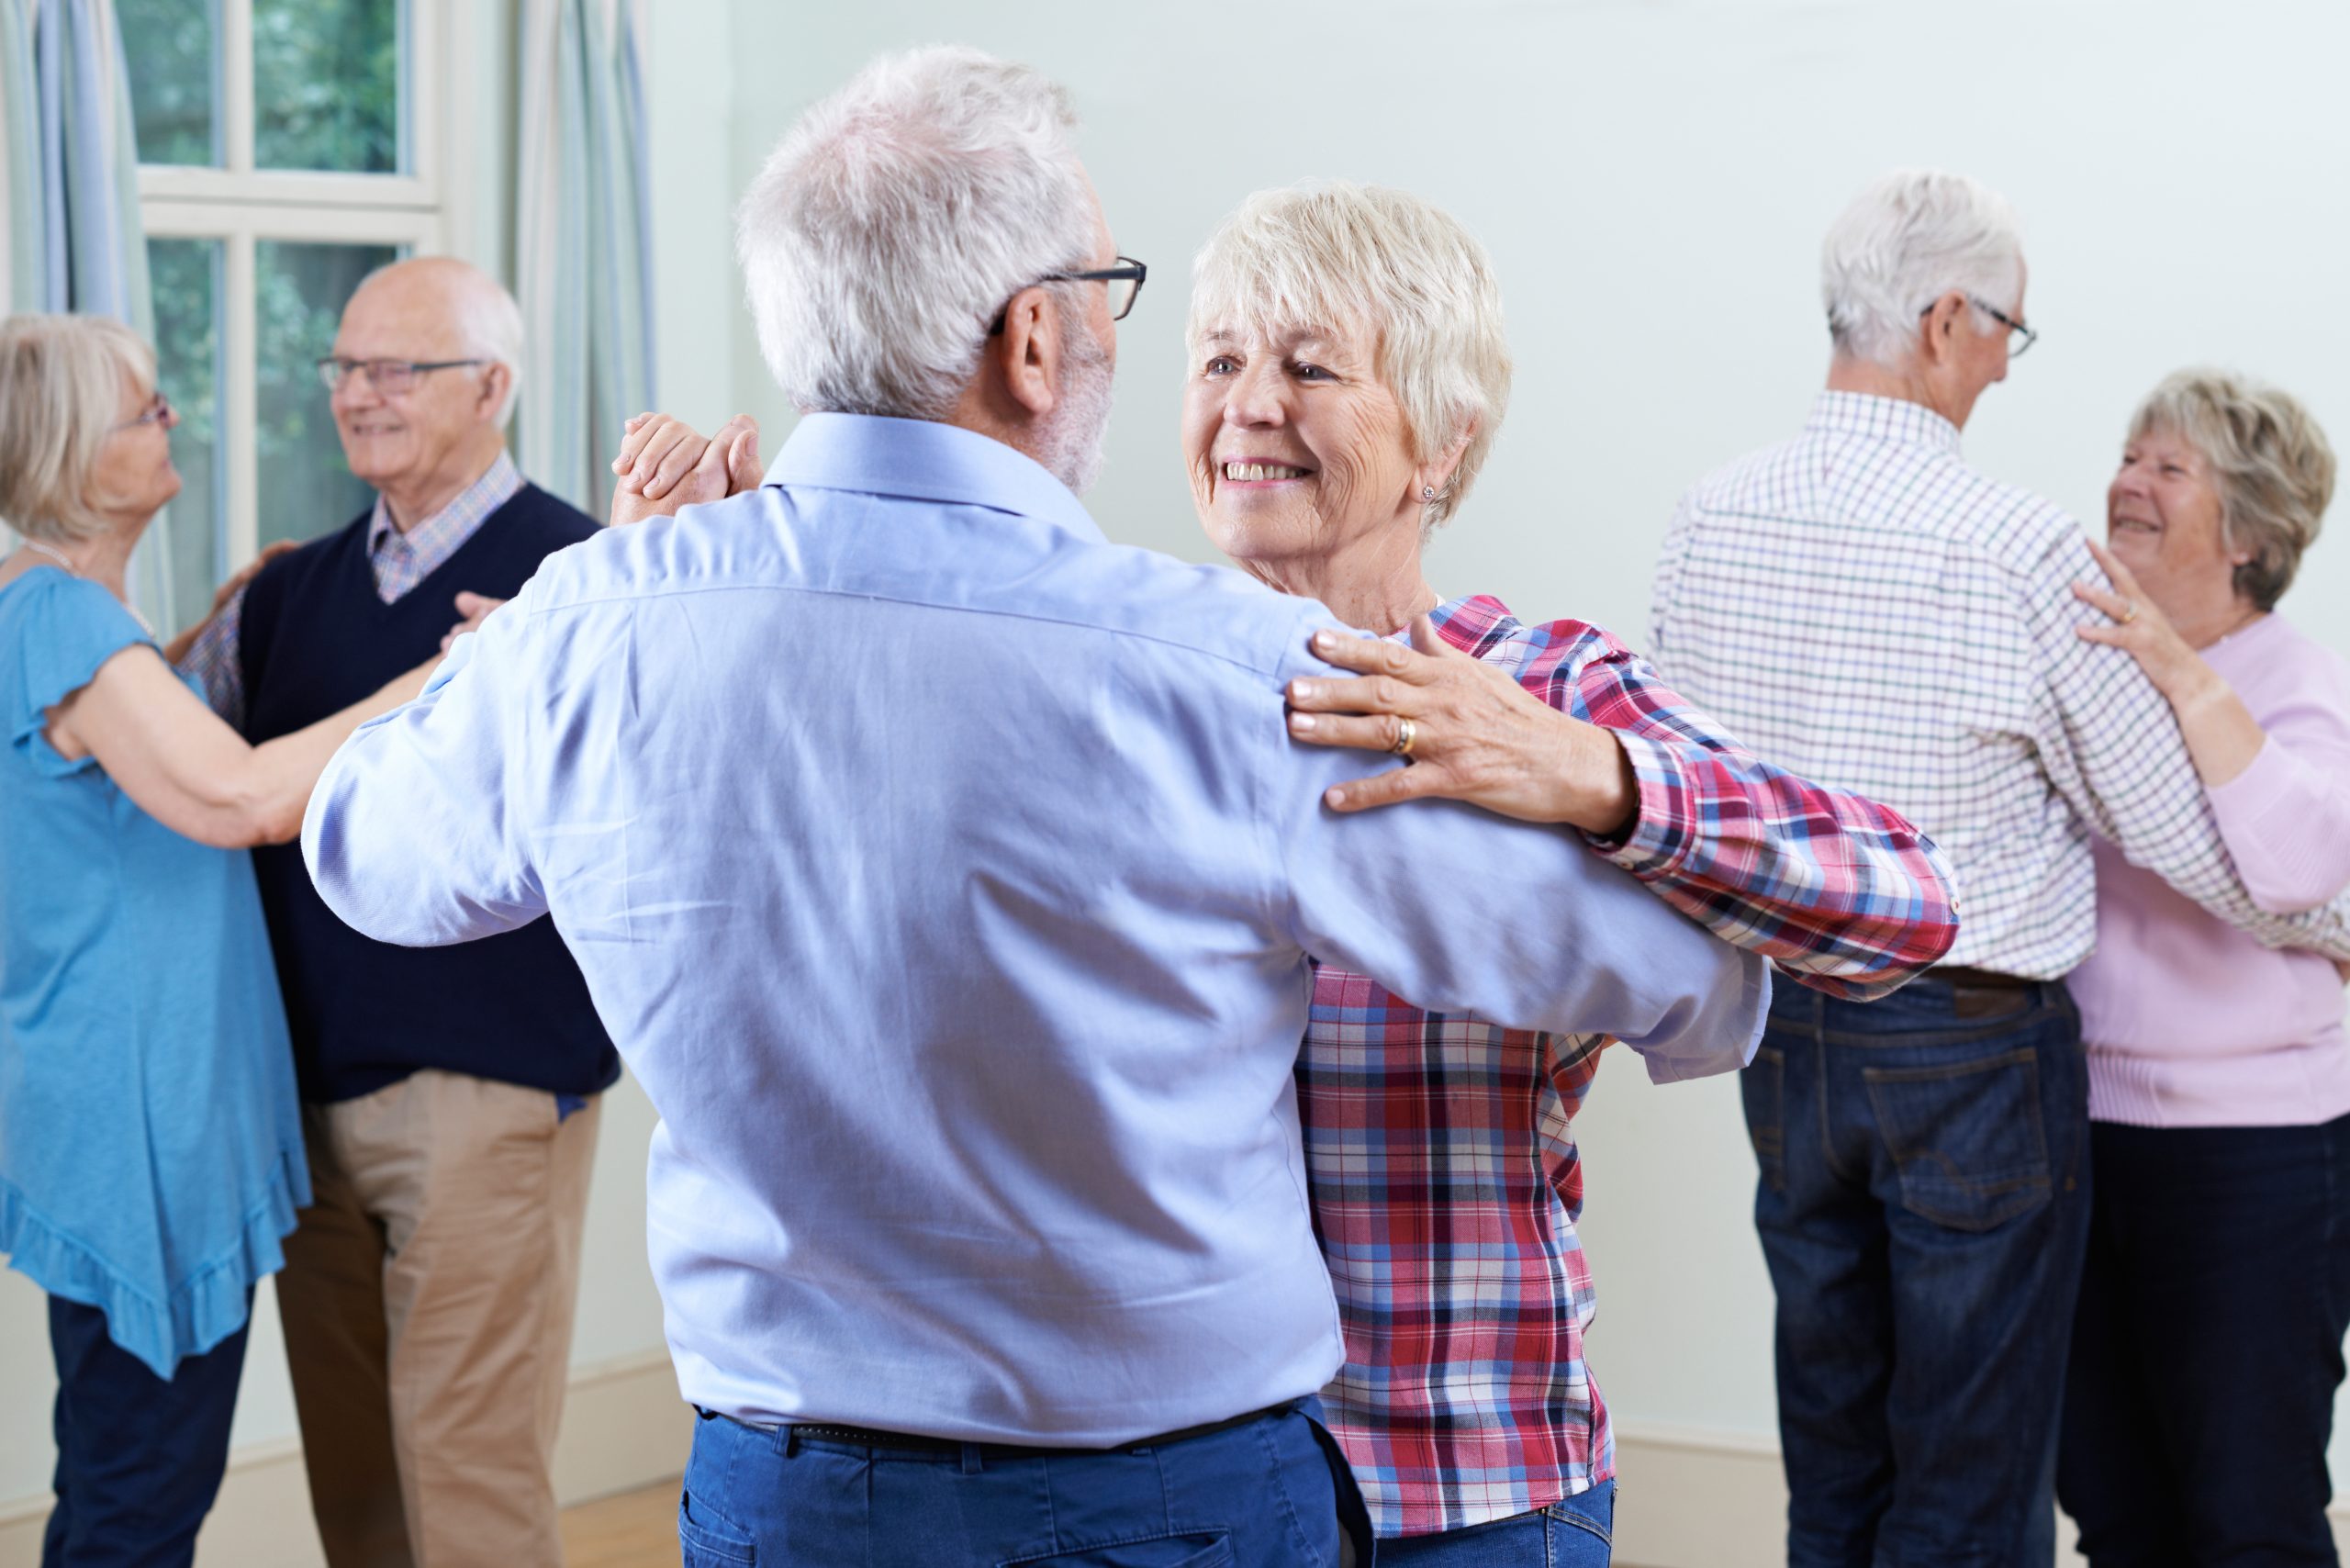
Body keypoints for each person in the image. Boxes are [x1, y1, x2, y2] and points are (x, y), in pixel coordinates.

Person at [298, 46, 1771, 1568]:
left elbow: (367, 856)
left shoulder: (598, 619)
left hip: (780, 1502)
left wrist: (592, 615)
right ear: (1029, 342)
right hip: (1164, 1510)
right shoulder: (1226, 676)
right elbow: (1692, 984)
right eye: (1113, 294)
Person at [1155, 180, 1957, 1563]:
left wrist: (1591, 777)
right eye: (1220, 359)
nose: (1249, 404)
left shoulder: (1542, 686)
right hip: (1184, 1487)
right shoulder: (1139, 682)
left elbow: (1902, 901)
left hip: (1470, 1480)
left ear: (1444, 445)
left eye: (1310, 365)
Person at [1645, 169, 2350, 1566]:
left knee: (1836, 1447)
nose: (2006, 372)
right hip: (1966, 1050)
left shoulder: (1710, 513)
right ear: (1950, 319)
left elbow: (1680, 776)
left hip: (1785, 1031)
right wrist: (2332, 918)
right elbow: (2179, 834)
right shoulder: (2015, 546)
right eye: (2009, 336)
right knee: (1974, 1476)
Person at [176, 257, 619, 1568]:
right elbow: (169, 763)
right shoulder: (288, 588)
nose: (358, 394)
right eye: (344, 367)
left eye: (395, 369)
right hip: (304, 1100)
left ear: (492, 388)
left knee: (469, 1481)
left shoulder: (578, 577)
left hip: (486, 1096)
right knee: (356, 1488)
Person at [0, 314, 430, 1566]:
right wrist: (449, 669)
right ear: (82, 456)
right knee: (142, 1496)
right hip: (144, 1122)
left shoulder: (51, 617)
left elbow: (106, 768)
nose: (167, 420)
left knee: (119, 1472)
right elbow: (238, 798)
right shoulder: (72, 629)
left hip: (110, 1098)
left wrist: (205, 633)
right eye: (143, 409)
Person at [2056, 371, 2350, 1565]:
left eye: (2169, 468)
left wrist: (2182, 671)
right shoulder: (2086, 665)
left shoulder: (2296, 680)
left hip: (2256, 1157)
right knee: (2116, 1510)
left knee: (2247, 1519)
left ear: (2250, 535)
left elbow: (2294, 866)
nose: (2129, 479)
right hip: (2080, 1134)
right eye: (2130, 454)